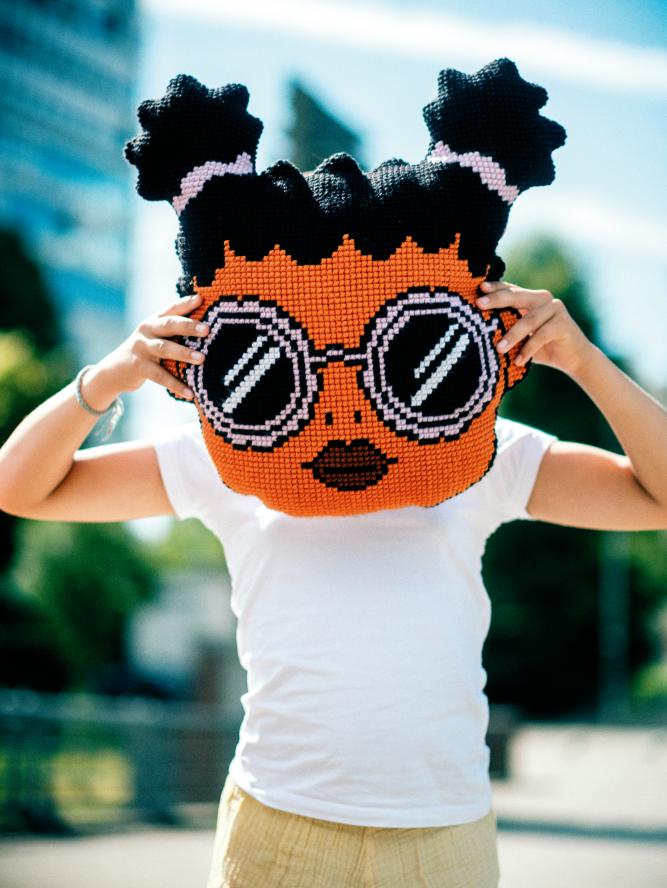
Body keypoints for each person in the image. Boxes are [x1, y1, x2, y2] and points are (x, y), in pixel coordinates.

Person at [1, 276, 666, 888]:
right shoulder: (232, 449)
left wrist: (583, 360)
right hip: (278, 817)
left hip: (443, 826)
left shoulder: (475, 447)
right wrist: (107, 377)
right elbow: (18, 486)